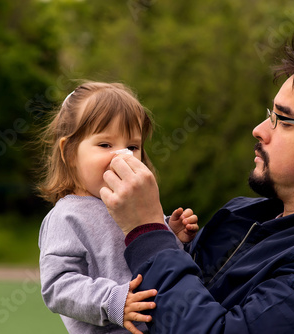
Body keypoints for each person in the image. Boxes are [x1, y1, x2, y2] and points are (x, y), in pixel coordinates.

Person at [100, 38, 294, 333]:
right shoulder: (239, 218)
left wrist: (148, 231)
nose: (259, 130)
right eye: (270, 114)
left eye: (285, 121)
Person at [36, 81, 199, 334]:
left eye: (132, 147)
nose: (122, 156)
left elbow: (151, 255)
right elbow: (58, 287)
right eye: (105, 145)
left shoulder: (131, 205)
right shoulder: (66, 216)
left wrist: (172, 235)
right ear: (69, 153)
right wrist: (113, 301)